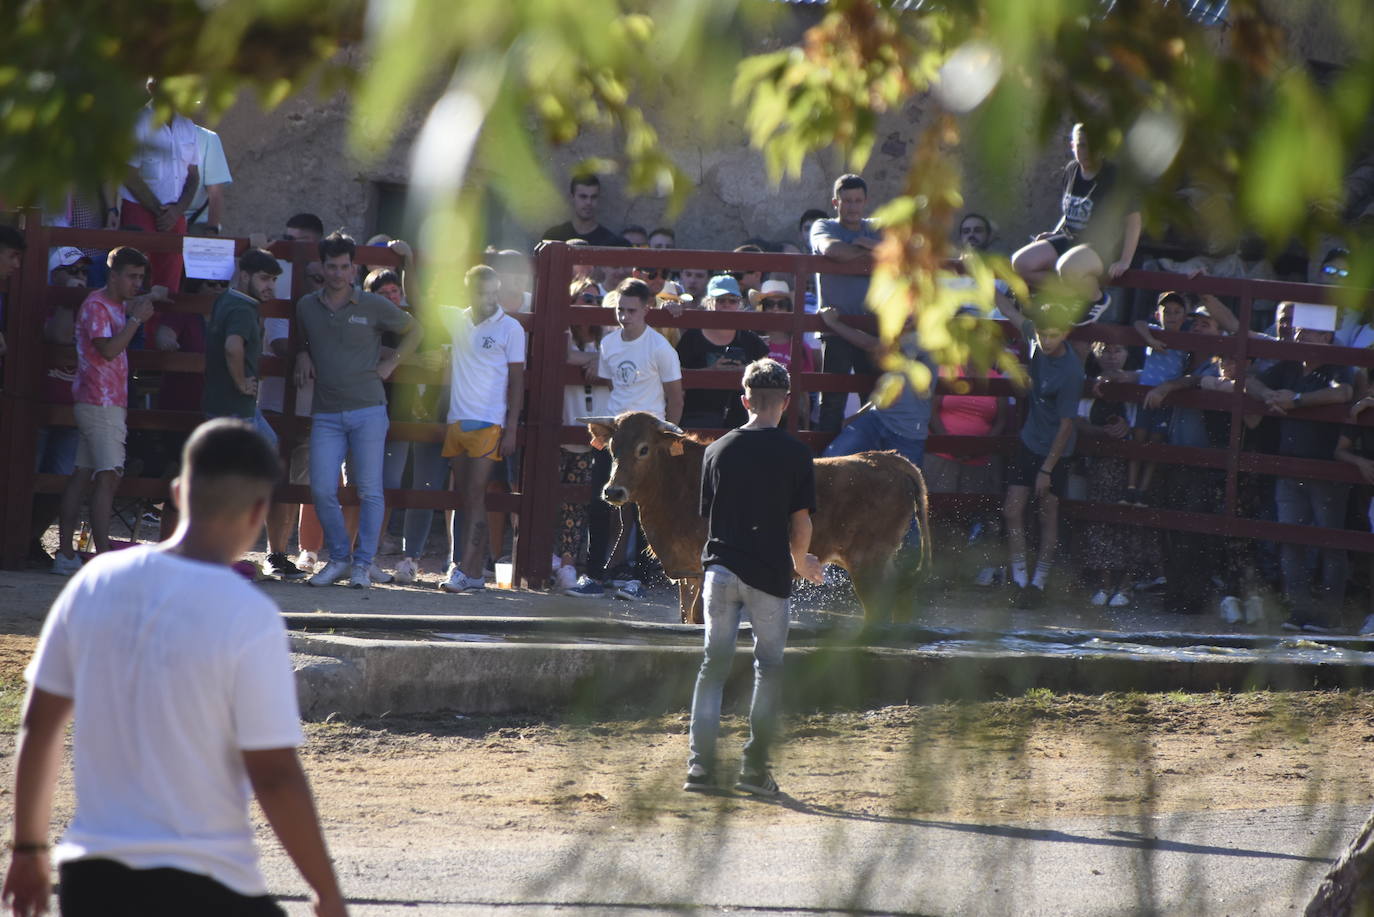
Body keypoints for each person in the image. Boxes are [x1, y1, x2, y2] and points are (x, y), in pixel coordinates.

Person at [4, 419, 347, 917]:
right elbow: (274, 775)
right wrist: (327, 891)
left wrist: (29, 849)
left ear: (178, 492)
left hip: (92, 873)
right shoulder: (249, 614)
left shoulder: (95, 581)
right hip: (206, 879)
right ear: (258, 512)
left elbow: (40, 726)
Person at [683, 358, 823, 797]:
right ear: (785, 402)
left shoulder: (715, 450)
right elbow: (800, 527)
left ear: (744, 400)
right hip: (768, 573)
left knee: (712, 668)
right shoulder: (796, 454)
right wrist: (801, 562)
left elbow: (710, 517)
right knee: (769, 668)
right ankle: (753, 769)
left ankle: (700, 769)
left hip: (721, 569)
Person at [295, 232, 420, 590]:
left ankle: (363, 563)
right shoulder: (307, 305)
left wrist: (391, 364)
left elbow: (415, 329)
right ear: (322, 267)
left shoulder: (372, 304)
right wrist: (303, 353)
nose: (337, 273)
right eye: (331, 266)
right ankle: (339, 559)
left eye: (344, 267)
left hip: (368, 408)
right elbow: (303, 335)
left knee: (369, 489)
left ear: (354, 268)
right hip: (327, 412)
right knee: (320, 488)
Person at [566, 280, 683, 598]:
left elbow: (676, 396)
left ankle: (638, 577)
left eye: (631, 310)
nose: (625, 316)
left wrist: (669, 438)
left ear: (646, 309)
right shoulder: (609, 343)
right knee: (599, 502)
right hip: (617, 434)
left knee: (643, 507)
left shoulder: (659, 347)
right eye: (620, 309)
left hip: (646, 439)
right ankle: (593, 575)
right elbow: (613, 383)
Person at [202, 248, 308, 581]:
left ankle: (263, 553)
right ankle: (227, 555)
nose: (270, 287)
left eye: (274, 280)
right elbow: (233, 347)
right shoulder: (243, 308)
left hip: (228, 408)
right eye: (264, 279)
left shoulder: (225, 300)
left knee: (268, 466)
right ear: (244, 275)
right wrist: (241, 383)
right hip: (236, 409)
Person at [53, 247, 161, 574]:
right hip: (101, 401)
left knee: (83, 474)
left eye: (141, 277)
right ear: (113, 276)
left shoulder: (109, 303)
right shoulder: (98, 306)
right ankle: (101, 557)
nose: (136, 283)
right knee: (109, 476)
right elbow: (110, 350)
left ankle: (67, 554)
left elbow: (135, 304)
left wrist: (151, 296)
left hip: (99, 401)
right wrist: (136, 320)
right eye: (131, 276)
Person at [1248, 303, 1354, 632]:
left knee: (1329, 541)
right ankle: (1299, 611)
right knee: (1290, 538)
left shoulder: (1339, 366)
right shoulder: (1290, 366)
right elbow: (1248, 380)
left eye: (1306, 332)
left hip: (1326, 469)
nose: (1299, 337)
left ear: (1326, 336)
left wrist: (1295, 401)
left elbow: (1343, 393)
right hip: (1289, 465)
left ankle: (1330, 614)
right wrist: (1270, 396)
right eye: (1298, 331)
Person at [438, 265, 526, 594]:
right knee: (467, 496)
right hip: (457, 419)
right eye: (482, 292)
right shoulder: (456, 319)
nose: (489, 299)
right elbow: (419, 299)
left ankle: (466, 568)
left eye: (493, 292)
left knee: (476, 494)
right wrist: (408, 261)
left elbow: (518, 380)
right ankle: (474, 571)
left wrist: (512, 427)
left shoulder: (510, 328)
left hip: (490, 422)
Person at [996, 296, 1085, 609]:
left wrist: (1047, 469)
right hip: (1029, 440)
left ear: (1065, 333)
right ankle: (1020, 581)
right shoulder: (1035, 336)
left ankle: (1039, 583)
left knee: (1049, 514)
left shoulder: (1071, 372)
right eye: (1042, 334)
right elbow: (1008, 310)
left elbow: (1066, 426)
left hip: (1056, 451)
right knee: (1012, 509)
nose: (1046, 341)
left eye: (1053, 335)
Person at [1011, 122, 1141, 289]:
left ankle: (1097, 298)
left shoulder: (1115, 176)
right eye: (1082, 145)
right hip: (1070, 238)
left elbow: (1134, 221)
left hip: (1100, 245)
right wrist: (1055, 234)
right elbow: (1071, 210)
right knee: (1020, 263)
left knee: (1067, 267)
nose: (1087, 152)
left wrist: (1125, 261)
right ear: (1073, 145)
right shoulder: (1071, 170)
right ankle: (1070, 295)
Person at [818, 308, 934, 470]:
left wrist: (833, 323)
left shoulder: (926, 340)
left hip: (906, 431)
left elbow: (871, 345)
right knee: (830, 463)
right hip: (881, 420)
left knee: (906, 489)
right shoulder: (899, 339)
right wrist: (859, 415)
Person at [811, 174, 883, 432]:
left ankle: (870, 460)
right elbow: (832, 251)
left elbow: (904, 252)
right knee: (832, 400)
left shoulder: (876, 226)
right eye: (847, 201)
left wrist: (865, 243)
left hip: (872, 325)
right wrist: (870, 248)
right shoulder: (824, 226)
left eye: (857, 200)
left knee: (874, 397)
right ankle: (825, 462)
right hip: (834, 325)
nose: (852, 206)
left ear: (866, 202)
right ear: (835, 202)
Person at [119, 82, 199, 291]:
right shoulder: (138, 122)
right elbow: (128, 174)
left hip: (175, 214)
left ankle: (162, 325)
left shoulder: (188, 125)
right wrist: (160, 211)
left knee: (169, 285)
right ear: (152, 88)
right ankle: (135, 324)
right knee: (136, 282)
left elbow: (193, 177)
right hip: (140, 211)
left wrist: (176, 212)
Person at [1122, 291, 1190, 505]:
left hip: (1166, 399)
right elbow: (1138, 323)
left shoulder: (1188, 341)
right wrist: (1151, 340)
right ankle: (1130, 489)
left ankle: (1143, 491)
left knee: (1155, 443)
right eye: (1166, 311)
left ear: (1184, 317)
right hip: (1145, 396)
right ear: (1157, 314)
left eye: (1177, 312)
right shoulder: (1154, 333)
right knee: (1138, 440)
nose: (1171, 316)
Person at [676, 275, 769, 431]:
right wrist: (711, 372)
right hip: (697, 416)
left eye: (732, 301)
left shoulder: (750, 339)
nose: (726, 305)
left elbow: (767, 374)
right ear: (709, 302)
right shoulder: (692, 338)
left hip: (741, 417)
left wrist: (746, 372)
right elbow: (675, 375)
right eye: (720, 300)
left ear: (739, 304)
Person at [539, 175, 629, 248]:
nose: (588, 202)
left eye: (593, 197)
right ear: (572, 197)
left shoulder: (611, 243)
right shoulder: (553, 237)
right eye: (583, 196)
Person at [186, 123, 232, 234]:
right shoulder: (147, 135)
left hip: (194, 221)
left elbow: (215, 193)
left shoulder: (208, 138)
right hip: (155, 217)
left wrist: (212, 229)